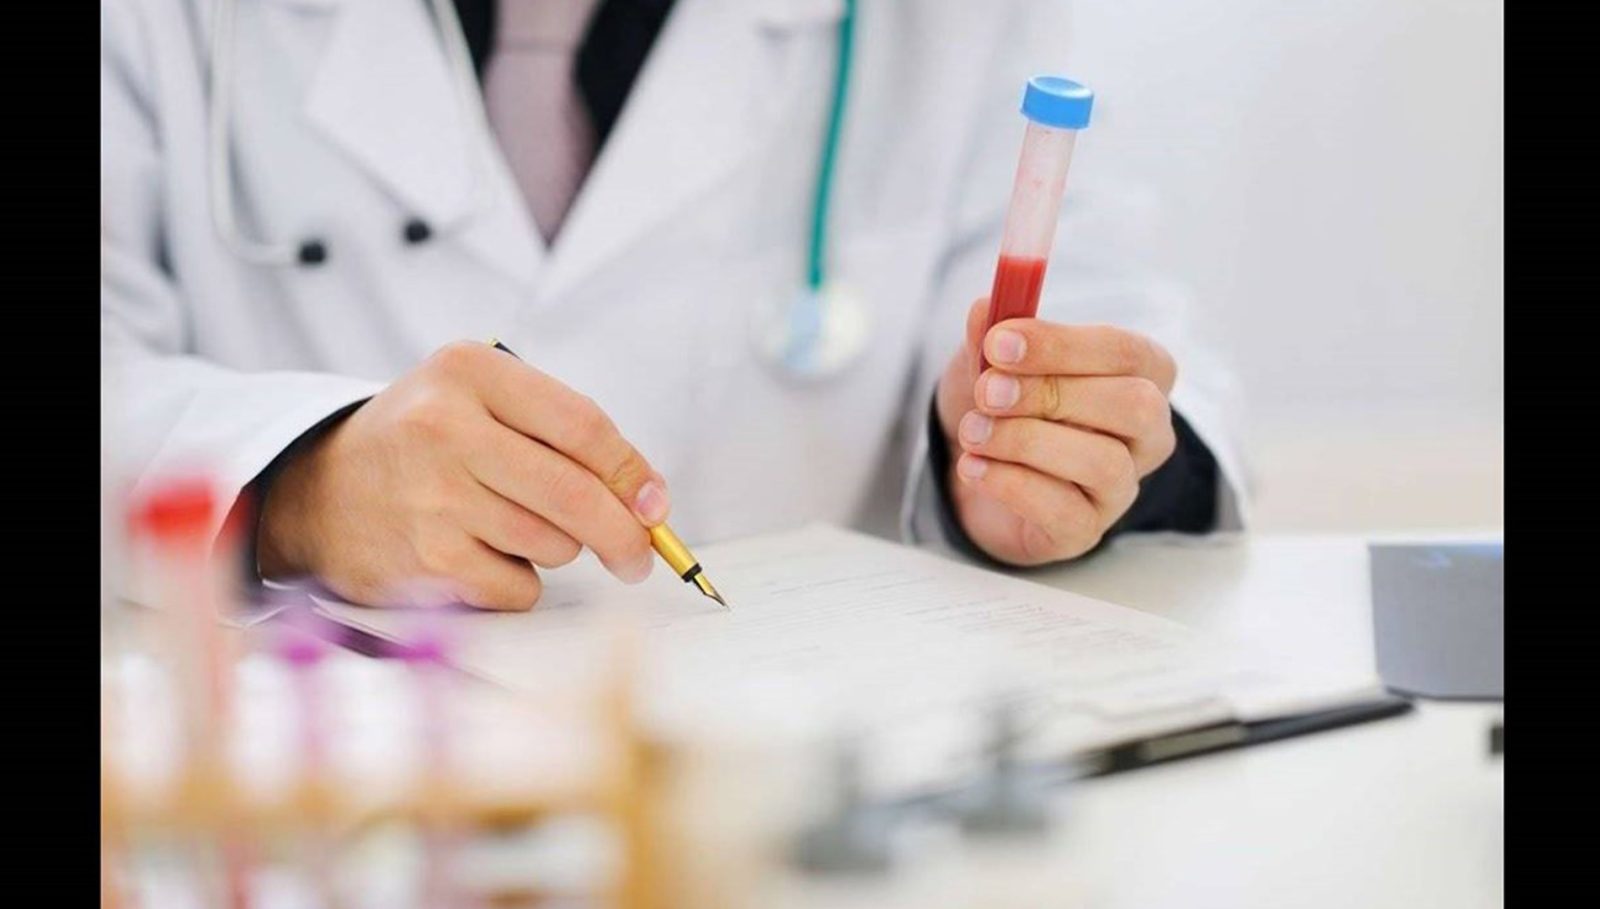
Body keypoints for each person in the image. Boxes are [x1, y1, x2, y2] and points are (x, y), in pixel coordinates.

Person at [101, 0, 1247, 611]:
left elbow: (1116, 319)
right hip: (331, 780)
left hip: (803, 777)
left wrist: (1048, 458)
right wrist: (298, 486)